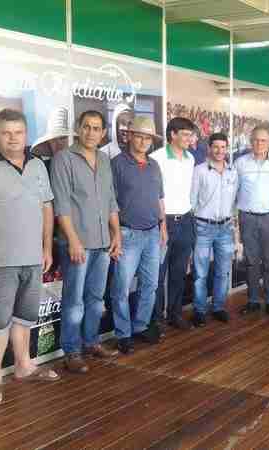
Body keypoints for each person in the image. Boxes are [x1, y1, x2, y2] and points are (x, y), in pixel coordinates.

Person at [0, 109, 60, 405]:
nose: (13, 138)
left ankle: (24, 365)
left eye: (18, 132)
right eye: (6, 132)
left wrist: (46, 248)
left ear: (26, 134)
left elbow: (46, 207)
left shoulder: (38, 165)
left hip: (32, 256)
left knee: (25, 316)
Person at [51, 110, 122, 374]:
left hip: (103, 243)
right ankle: (72, 351)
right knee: (74, 300)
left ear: (103, 133)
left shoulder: (104, 160)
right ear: (78, 129)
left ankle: (91, 342)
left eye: (96, 128)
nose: (91, 132)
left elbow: (111, 200)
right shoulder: (63, 159)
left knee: (95, 298)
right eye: (86, 127)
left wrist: (116, 234)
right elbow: (62, 204)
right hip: (77, 243)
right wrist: (72, 240)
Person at [110, 117, 167, 354]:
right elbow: (110, 202)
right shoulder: (117, 164)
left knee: (150, 284)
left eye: (148, 138)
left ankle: (141, 326)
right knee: (121, 288)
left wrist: (163, 226)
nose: (144, 141)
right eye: (139, 136)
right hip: (127, 234)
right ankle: (123, 333)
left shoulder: (154, 165)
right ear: (129, 136)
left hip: (153, 233)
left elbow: (160, 198)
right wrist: (115, 235)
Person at [151, 117, 197, 331]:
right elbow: (153, 194)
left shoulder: (190, 159)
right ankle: (156, 319)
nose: (190, 139)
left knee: (179, 272)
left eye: (191, 135)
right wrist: (160, 223)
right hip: (164, 222)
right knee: (158, 274)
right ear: (173, 135)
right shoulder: (156, 158)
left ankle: (175, 314)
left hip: (185, 220)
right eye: (186, 134)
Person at [235, 125, 269, 317]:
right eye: (255, 140)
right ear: (250, 141)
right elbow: (235, 190)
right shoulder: (240, 163)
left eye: (263, 140)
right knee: (251, 261)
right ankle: (253, 300)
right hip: (247, 217)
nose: (259, 144)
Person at [190, 133, 239, 327]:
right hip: (203, 226)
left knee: (223, 271)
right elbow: (192, 201)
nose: (219, 151)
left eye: (223, 147)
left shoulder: (232, 172)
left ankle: (218, 307)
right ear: (209, 148)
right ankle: (200, 310)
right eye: (216, 147)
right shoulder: (199, 171)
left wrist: (234, 227)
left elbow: (234, 201)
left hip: (225, 228)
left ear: (227, 149)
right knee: (200, 273)